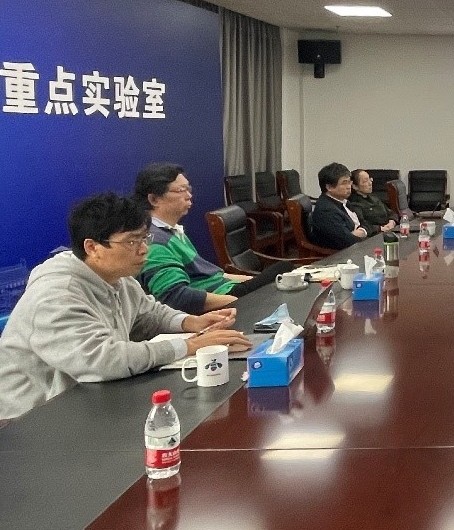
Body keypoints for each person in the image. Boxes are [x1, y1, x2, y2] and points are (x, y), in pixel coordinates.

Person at [0, 193, 251, 422]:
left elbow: (148, 313)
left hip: (85, 397)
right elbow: (103, 360)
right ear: (92, 247)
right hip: (28, 420)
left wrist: (189, 322)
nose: (144, 249)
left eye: (144, 238)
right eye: (131, 242)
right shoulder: (55, 296)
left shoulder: (117, 276)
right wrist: (189, 346)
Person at [135, 162, 292, 314]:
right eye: (181, 190)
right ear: (154, 199)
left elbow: (214, 275)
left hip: (225, 288)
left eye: (188, 189)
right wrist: (241, 300)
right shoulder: (154, 243)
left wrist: (252, 281)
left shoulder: (172, 231)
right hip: (221, 299)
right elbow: (177, 298)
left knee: (283, 274)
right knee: (285, 270)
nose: (189, 196)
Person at [310, 162, 369, 250]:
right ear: (329, 187)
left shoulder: (344, 201)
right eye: (344, 183)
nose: (349, 186)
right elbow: (347, 241)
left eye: (349, 182)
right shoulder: (326, 210)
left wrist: (361, 231)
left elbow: (365, 223)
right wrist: (358, 233)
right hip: (342, 254)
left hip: (358, 246)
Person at [347, 169, 398, 235]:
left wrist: (392, 222)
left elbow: (391, 213)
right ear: (355, 186)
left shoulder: (373, 197)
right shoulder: (354, 203)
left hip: (389, 229)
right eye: (365, 181)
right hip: (374, 234)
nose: (370, 183)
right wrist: (380, 228)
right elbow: (362, 224)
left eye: (370, 179)